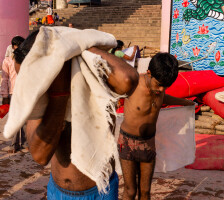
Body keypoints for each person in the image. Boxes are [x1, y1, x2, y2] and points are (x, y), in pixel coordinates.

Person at [13, 31, 139, 199]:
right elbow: (40, 155)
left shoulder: (91, 73)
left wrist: (79, 43)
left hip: (100, 190)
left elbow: (128, 79)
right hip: (59, 191)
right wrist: (60, 94)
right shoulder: (42, 97)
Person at [118, 53, 195, 200]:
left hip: (148, 143)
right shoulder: (133, 83)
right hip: (127, 142)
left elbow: (163, 97)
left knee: (145, 192)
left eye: (165, 86)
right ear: (149, 73)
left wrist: (185, 102)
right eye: (159, 85)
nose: (161, 90)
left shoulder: (160, 83)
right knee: (130, 190)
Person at [1, 36, 26, 153]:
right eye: (17, 45)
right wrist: (5, 95)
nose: (19, 47)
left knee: (25, 118)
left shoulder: (27, 60)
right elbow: (4, 79)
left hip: (25, 92)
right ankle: (14, 144)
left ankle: (25, 143)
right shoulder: (7, 61)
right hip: (13, 93)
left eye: (21, 45)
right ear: (12, 47)